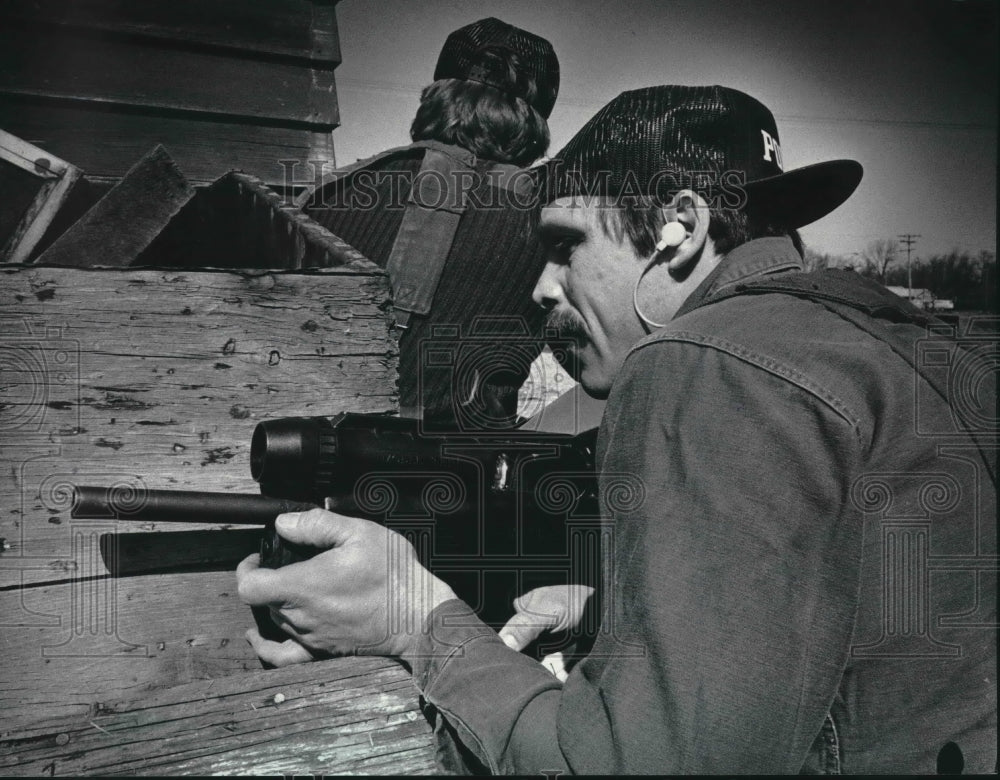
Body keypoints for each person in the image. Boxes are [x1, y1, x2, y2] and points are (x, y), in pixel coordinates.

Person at [237, 85, 997, 773]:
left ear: (680, 226)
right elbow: (882, 636)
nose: (542, 287)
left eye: (566, 246)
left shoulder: (702, 359)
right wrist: (613, 611)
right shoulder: (915, 348)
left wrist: (414, 623)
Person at [296, 17, 560, 428]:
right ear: (535, 123)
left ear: (437, 95)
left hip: (299, 452)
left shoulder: (327, 193)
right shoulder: (551, 219)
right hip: (461, 475)